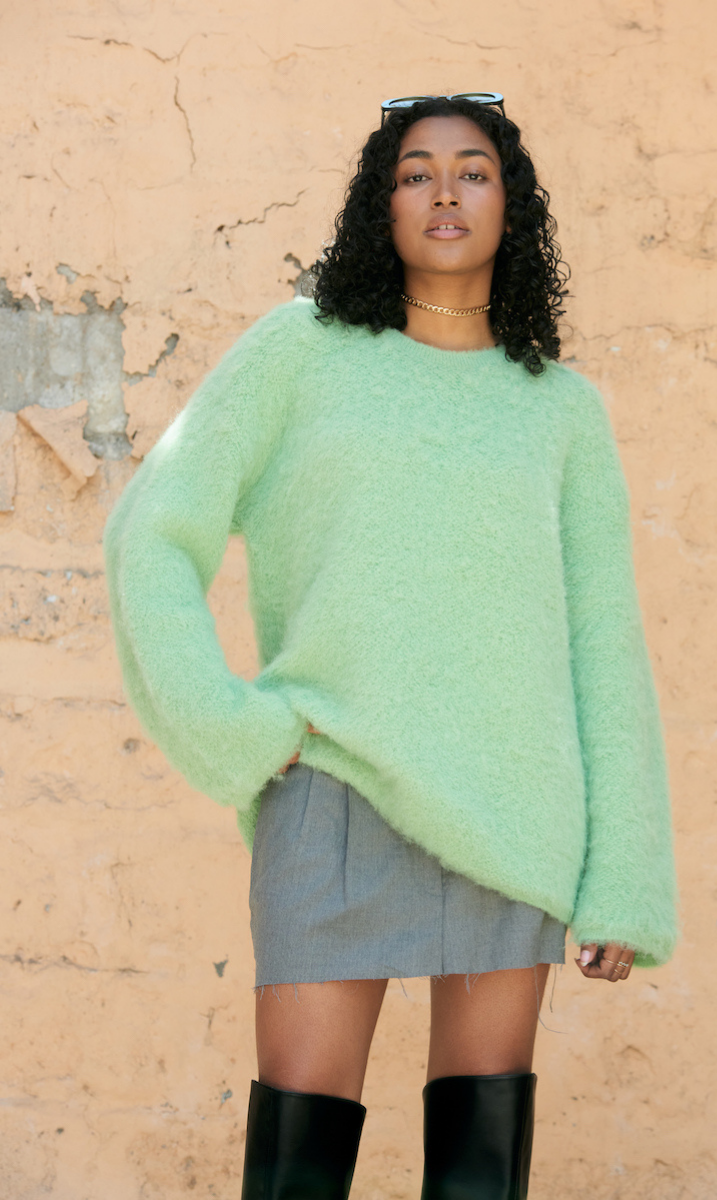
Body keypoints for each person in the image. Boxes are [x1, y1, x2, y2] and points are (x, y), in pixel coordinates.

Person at [103, 93, 679, 1200]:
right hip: (332, 789)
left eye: (474, 171)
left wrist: (625, 878)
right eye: (416, 172)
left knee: (477, 1174)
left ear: (512, 206)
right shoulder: (299, 353)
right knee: (297, 1169)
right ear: (382, 202)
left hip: (513, 810)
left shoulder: (559, 410)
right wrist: (230, 726)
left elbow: (603, 647)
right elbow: (151, 532)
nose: (445, 192)